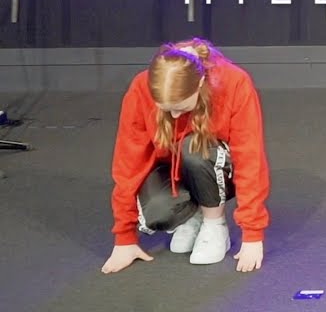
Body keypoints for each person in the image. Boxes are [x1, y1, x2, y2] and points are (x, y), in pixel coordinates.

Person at [101, 39, 270, 274]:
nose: (174, 114)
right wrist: (124, 238)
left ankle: (214, 223)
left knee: (193, 147)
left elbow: (250, 159)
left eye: (180, 107)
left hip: (216, 167)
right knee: (157, 211)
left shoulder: (234, 82)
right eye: (166, 109)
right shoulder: (141, 88)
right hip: (174, 169)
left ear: (200, 83)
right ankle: (193, 215)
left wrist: (252, 234)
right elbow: (128, 163)